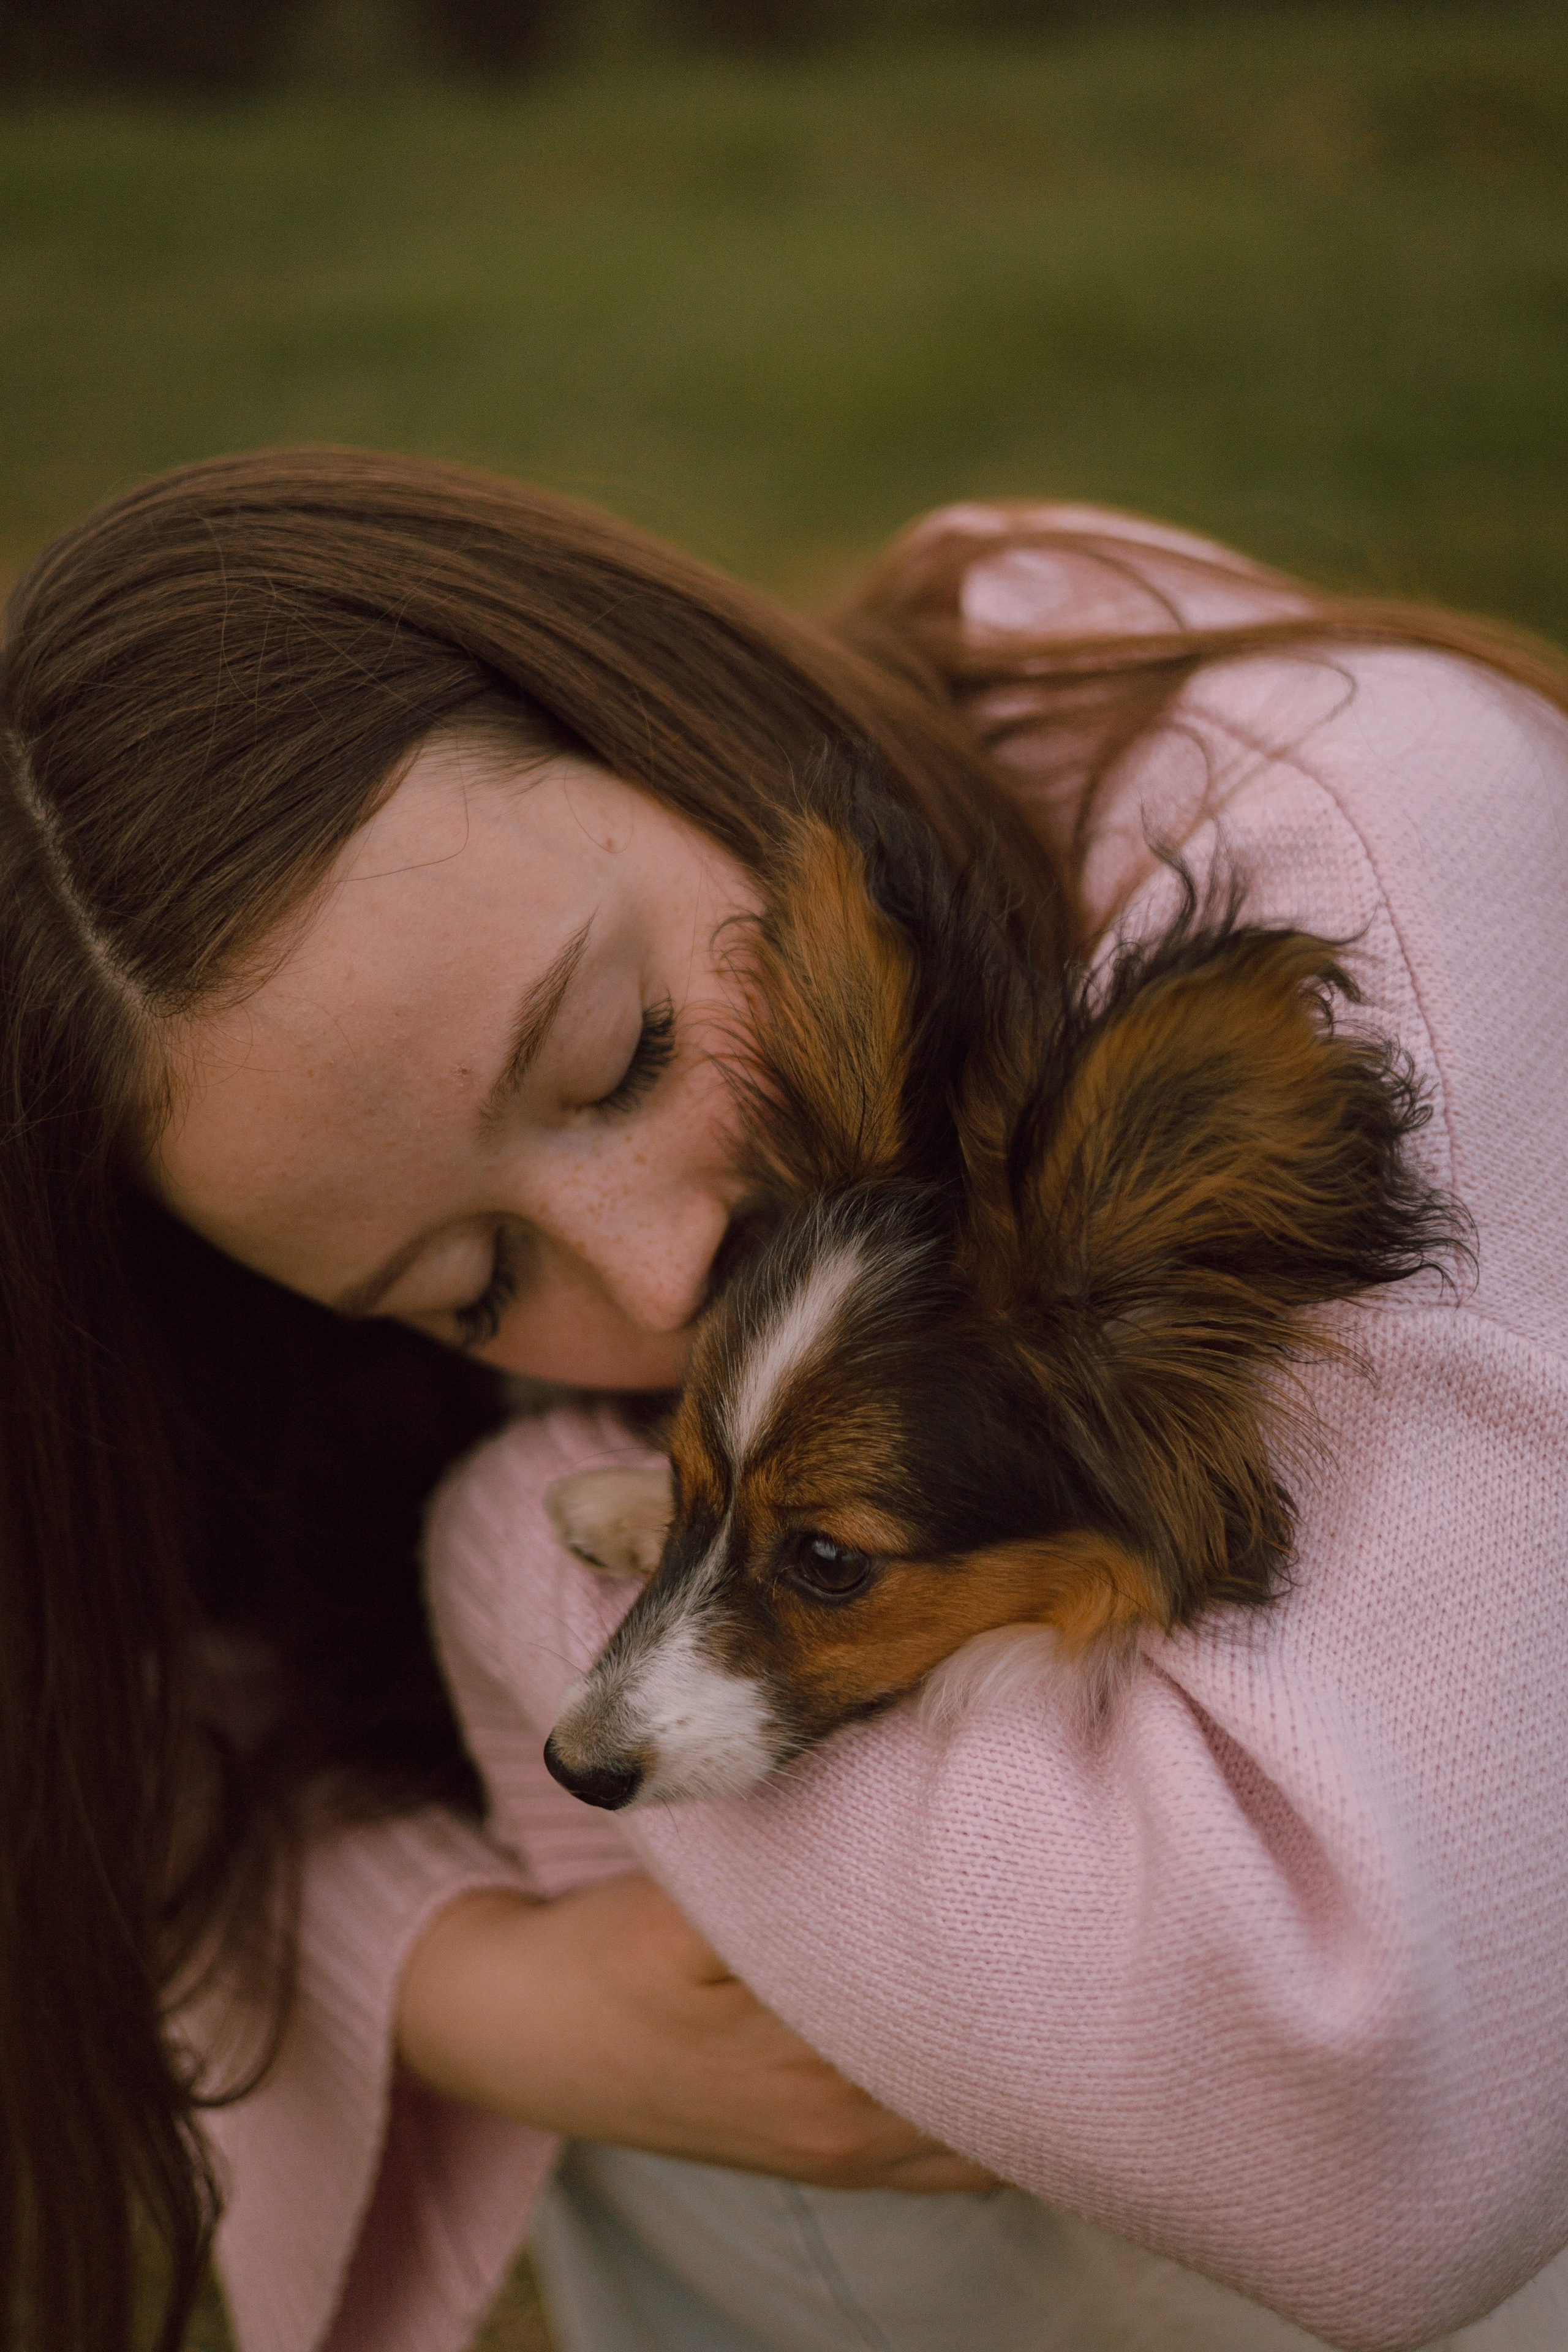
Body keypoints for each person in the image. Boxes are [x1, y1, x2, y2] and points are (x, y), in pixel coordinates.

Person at [2, 450, 1566, 2352]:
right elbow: (106, 1741)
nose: (668, 1283)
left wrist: (515, 1541)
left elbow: (1392, 2135)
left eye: (626, 1050)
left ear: (656, 717)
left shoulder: (1389, 850)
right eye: (467, 1288)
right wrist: (474, 1984)